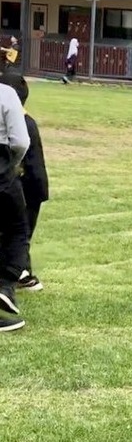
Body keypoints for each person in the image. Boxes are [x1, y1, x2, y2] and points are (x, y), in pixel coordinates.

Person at [1, 72, 48, 291]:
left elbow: (22, 154)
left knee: (20, 232)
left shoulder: (23, 124)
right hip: (31, 186)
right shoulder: (25, 120)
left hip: (28, 188)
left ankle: (22, 274)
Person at [0, 77, 30, 330]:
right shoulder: (6, 94)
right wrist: (11, 163)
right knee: (17, 229)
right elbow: (20, 141)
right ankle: (6, 283)